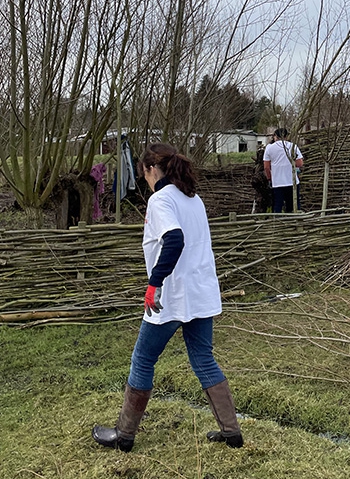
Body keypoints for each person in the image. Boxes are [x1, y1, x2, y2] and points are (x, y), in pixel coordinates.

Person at [92, 143, 243, 452]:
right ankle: (232, 432)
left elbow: (174, 241)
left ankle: (124, 435)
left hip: (171, 296)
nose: (144, 179)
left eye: (143, 173)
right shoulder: (193, 199)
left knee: (143, 358)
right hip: (200, 292)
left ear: (151, 169)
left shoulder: (160, 200)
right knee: (203, 358)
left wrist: (153, 283)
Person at [262, 127, 303, 213]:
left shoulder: (269, 148)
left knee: (277, 205)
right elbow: (300, 163)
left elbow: (266, 166)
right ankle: (293, 223)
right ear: (286, 136)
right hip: (292, 181)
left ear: (275, 136)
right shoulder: (293, 146)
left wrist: (269, 178)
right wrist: (290, 164)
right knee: (293, 206)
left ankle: (276, 224)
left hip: (277, 182)